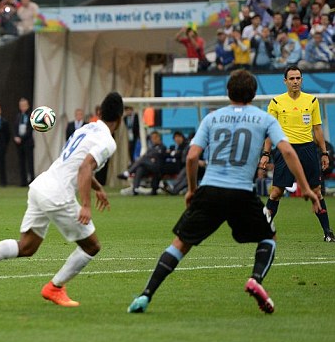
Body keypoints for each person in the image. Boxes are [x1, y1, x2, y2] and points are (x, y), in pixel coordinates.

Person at [127, 69, 320, 315]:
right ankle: (255, 279)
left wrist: (192, 191)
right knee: (268, 238)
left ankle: (145, 296)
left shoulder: (212, 118)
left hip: (210, 189)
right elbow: (289, 152)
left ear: (228, 92)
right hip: (241, 192)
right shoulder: (264, 118)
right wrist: (305, 187)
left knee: (181, 244)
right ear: (253, 94)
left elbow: (192, 156)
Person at [0, 92, 124, 307]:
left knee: (27, 247)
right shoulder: (108, 140)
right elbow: (84, 166)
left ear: (99, 112)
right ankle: (55, 287)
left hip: (41, 185)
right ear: (120, 118)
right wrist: (86, 205)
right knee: (92, 246)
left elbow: (73, 163)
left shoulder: (87, 128)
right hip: (58, 194)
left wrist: (97, 188)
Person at [259, 66, 335, 242]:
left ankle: (327, 232)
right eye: (292, 78)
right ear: (285, 81)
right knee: (276, 192)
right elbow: (270, 131)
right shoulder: (276, 102)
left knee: (316, 191)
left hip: (307, 150)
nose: (295, 81)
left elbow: (317, 129)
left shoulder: (312, 101)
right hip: (285, 150)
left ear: (302, 80)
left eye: (298, 78)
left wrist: (324, 153)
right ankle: (262, 231)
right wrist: (265, 153)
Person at [117, 131, 166, 196]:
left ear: (159, 138)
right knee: (140, 168)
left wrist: (150, 158)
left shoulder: (162, 147)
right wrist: (150, 158)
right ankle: (135, 189)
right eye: (152, 138)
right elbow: (148, 155)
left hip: (157, 167)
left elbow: (156, 156)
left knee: (142, 160)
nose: (153, 139)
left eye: (155, 138)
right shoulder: (151, 148)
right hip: (149, 166)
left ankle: (127, 173)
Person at [14, 97, 34, 186]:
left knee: (30, 162)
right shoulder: (19, 116)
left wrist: (22, 138)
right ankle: (23, 181)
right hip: (19, 143)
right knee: (21, 162)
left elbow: (30, 129)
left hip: (28, 142)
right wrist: (16, 137)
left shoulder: (31, 115)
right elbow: (15, 128)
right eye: (21, 105)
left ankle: (32, 180)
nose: (22, 107)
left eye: (24, 105)